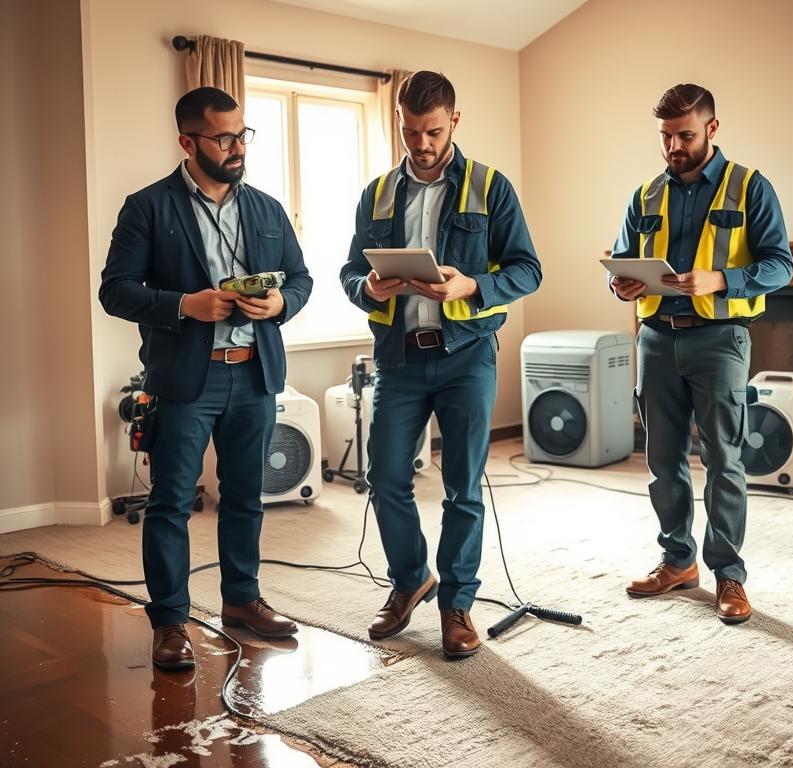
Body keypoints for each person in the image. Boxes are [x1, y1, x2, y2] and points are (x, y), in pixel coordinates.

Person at [100, 86, 313, 669]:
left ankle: (242, 601)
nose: (237, 147)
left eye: (242, 135)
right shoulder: (146, 207)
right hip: (185, 381)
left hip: (256, 376)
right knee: (172, 502)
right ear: (187, 142)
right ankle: (170, 620)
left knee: (246, 497)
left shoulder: (267, 207)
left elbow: (300, 278)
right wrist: (182, 305)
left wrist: (280, 305)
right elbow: (114, 291)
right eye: (223, 138)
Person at [340, 71, 541, 657]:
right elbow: (351, 271)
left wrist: (473, 286)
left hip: (467, 356)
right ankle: (411, 581)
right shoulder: (376, 194)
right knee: (385, 477)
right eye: (409, 132)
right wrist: (367, 290)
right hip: (400, 358)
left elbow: (528, 269)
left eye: (431, 131)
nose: (420, 144)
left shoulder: (491, 187)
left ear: (454, 120)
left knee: (461, 485)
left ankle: (457, 605)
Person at [609, 83, 793, 624]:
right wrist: (622, 285)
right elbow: (622, 262)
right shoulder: (644, 196)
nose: (673, 147)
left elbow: (781, 264)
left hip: (721, 339)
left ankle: (728, 574)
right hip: (656, 338)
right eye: (666, 136)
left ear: (712, 129)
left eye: (684, 135)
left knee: (723, 459)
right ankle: (677, 561)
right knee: (662, 461)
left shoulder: (750, 187)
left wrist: (722, 279)